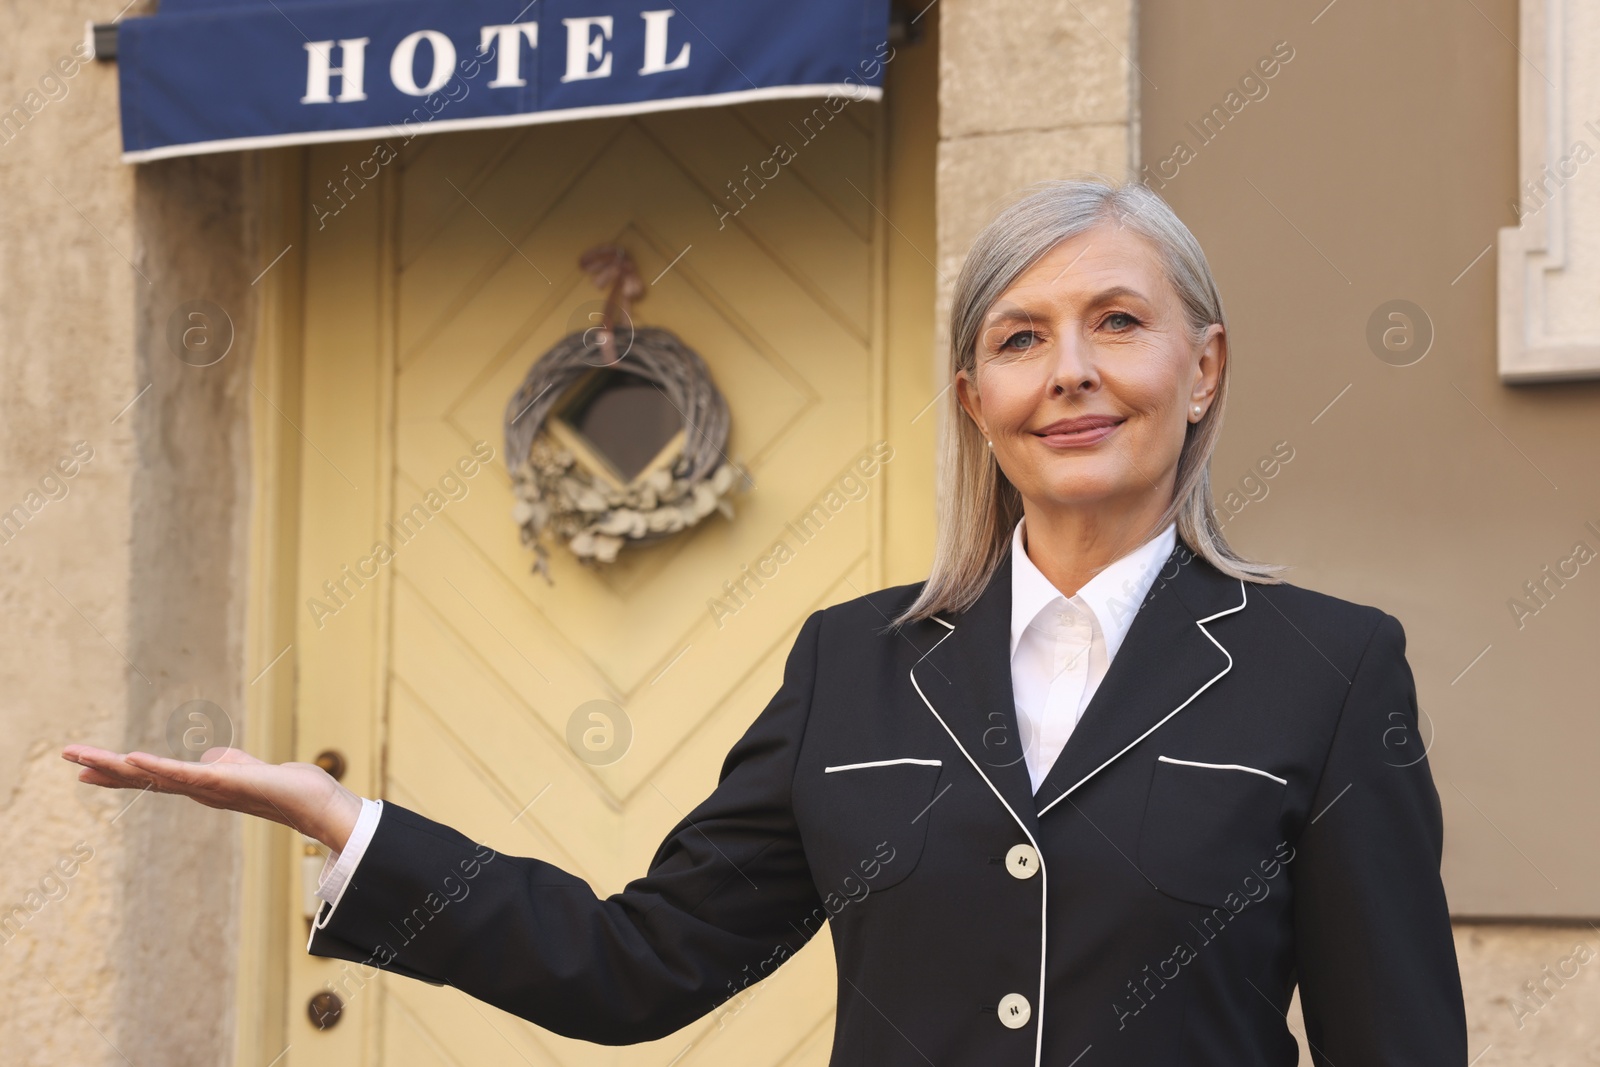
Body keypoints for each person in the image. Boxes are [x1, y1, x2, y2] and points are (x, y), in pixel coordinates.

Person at [63, 178, 1467, 1066]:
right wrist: (348, 829)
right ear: (975, 396)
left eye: (1119, 323)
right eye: (1021, 338)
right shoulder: (855, 664)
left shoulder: (1330, 671)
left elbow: (1394, 1045)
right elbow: (635, 966)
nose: (1073, 374)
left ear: (1203, 366)